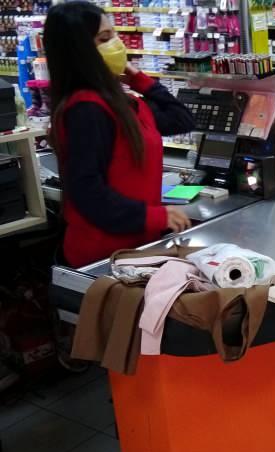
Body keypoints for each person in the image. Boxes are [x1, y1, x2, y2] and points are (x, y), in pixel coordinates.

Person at [45, 1, 195, 268]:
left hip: (135, 250)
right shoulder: (86, 109)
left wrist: (139, 79)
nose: (117, 44)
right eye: (105, 38)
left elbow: (182, 119)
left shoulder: (125, 103)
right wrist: (155, 217)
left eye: (114, 35)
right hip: (102, 258)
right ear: (79, 50)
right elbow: (87, 192)